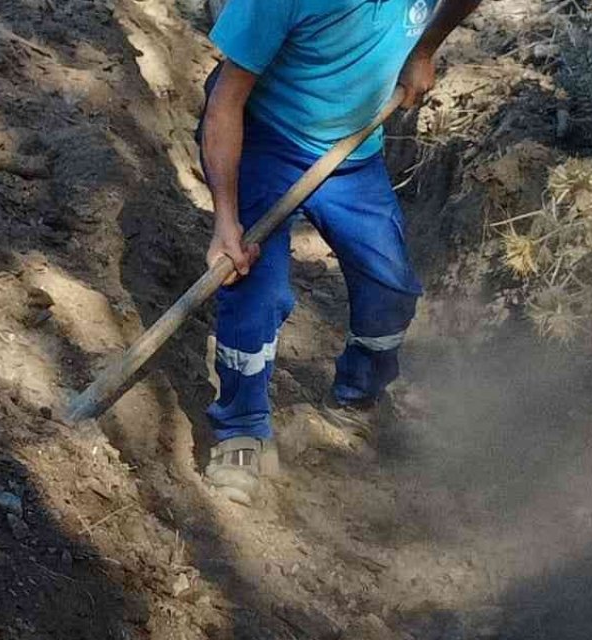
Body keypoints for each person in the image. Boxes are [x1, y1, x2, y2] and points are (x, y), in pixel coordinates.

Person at [198, 0, 484, 504]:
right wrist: (226, 219)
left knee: (390, 287)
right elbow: (225, 103)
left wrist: (425, 48)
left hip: (352, 149)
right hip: (266, 132)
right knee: (253, 288)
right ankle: (240, 429)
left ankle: (355, 401)